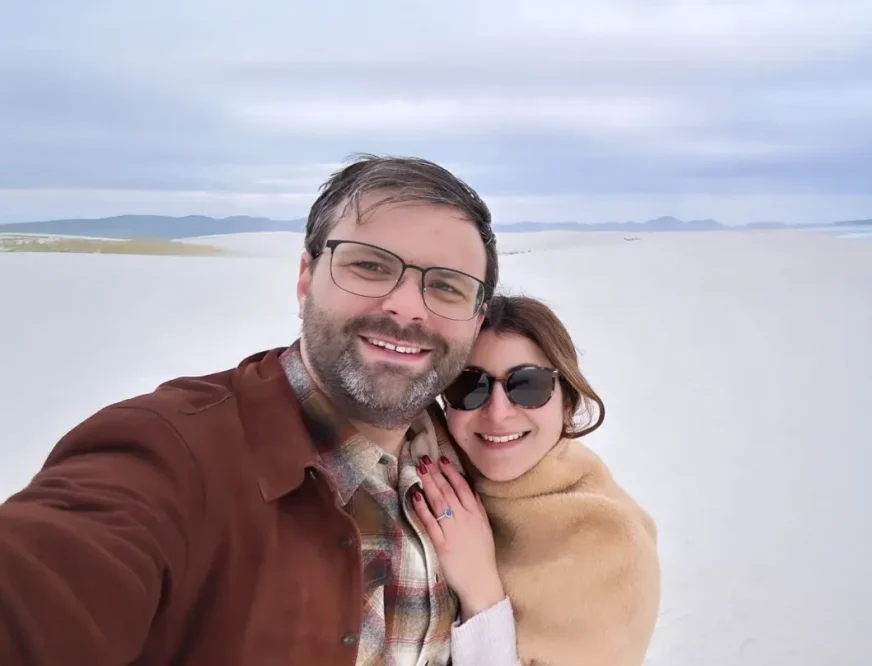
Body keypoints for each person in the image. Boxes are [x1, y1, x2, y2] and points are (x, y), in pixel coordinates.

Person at [0, 154, 516, 666]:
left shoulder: (477, 457)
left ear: (474, 322)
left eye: (446, 286)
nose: (407, 307)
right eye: (370, 266)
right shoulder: (172, 453)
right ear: (305, 280)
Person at [411, 294, 661, 666]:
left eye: (527, 385)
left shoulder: (611, 541)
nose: (498, 413)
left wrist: (481, 589)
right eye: (469, 386)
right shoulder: (428, 466)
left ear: (567, 403)